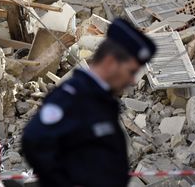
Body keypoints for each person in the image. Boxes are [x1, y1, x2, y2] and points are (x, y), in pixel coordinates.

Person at [22, 18, 157, 187]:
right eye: (130, 71)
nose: (132, 81)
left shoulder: (100, 100)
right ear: (110, 62)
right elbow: (34, 139)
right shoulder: (73, 96)